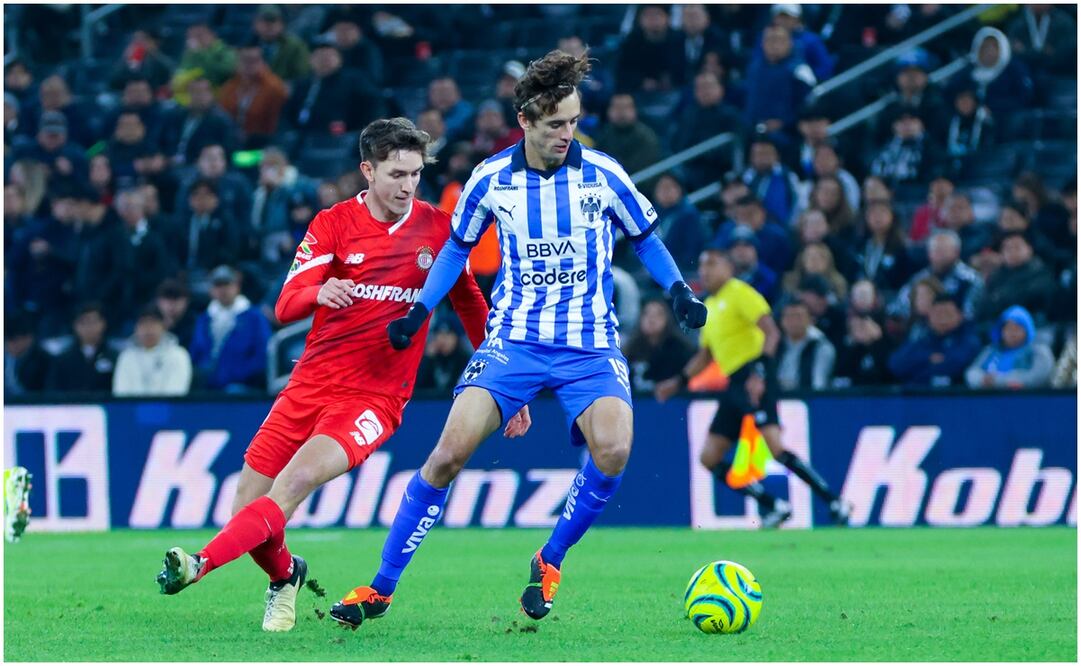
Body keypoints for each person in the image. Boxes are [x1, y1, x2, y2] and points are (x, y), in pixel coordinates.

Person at [328, 51, 706, 628]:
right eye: (555, 124)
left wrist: (678, 289)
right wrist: (419, 311)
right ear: (525, 122)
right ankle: (381, 587)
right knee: (448, 453)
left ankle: (549, 558)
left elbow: (646, 237)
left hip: (590, 346)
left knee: (615, 449)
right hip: (513, 344)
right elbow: (457, 250)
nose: (566, 133)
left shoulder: (603, 175)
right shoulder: (490, 179)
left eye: (574, 122)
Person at [155, 118, 510, 633]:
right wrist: (317, 293)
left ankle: (199, 565)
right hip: (308, 386)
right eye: (396, 174)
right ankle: (286, 578)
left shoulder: (439, 229)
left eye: (415, 174)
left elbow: (472, 306)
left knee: (294, 483)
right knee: (248, 509)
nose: (408, 186)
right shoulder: (334, 223)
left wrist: (501, 382)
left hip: (374, 399)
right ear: (367, 170)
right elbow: (284, 304)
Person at [655, 246, 848, 528]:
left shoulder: (739, 292)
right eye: (703, 265)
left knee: (775, 448)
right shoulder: (709, 304)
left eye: (713, 263)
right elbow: (705, 356)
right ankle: (773, 505)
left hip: (753, 375)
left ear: (728, 268)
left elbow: (771, 331)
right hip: (735, 383)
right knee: (709, 457)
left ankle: (834, 501)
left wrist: (760, 373)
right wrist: (678, 382)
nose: (705, 270)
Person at [888, 294, 981, 387]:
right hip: (917, 397)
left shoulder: (969, 338)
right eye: (938, 314)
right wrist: (928, 357)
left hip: (956, 397)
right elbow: (896, 364)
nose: (942, 319)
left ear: (960, 316)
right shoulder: (921, 336)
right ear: (930, 316)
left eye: (947, 314)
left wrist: (917, 373)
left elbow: (957, 364)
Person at [891, 230, 983, 321]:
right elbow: (899, 306)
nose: (938, 255)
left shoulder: (970, 279)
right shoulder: (920, 278)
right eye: (935, 250)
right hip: (921, 329)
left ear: (956, 252)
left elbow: (970, 314)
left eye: (943, 251)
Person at [218, 40, 290, 149]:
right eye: (244, 60)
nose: (249, 65)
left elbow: (276, 127)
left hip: (263, 146)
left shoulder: (275, 89)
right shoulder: (229, 87)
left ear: (263, 62)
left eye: (254, 61)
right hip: (231, 143)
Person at [965, 305, 1054, 389]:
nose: (1012, 333)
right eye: (1008, 328)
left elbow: (1037, 378)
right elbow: (972, 372)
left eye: (1017, 328)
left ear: (1028, 330)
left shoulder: (1039, 350)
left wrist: (998, 381)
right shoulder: (991, 350)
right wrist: (981, 380)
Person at [113, 305, 193, 397]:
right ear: (135, 328)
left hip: (168, 410)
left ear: (164, 326)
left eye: (153, 323)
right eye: (143, 324)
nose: (148, 329)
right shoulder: (126, 357)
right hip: (131, 410)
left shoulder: (178, 355)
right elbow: (120, 393)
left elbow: (176, 394)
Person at [623, 297, 697, 393]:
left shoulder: (681, 349)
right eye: (647, 314)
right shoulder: (630, 349)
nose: (651, 319)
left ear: (668, 319)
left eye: (658, 314)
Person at [44, 302, 117, 393]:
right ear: (75, 325)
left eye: (93, 322)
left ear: (103, 324)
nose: (89, 327)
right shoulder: (62, 360)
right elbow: (53, 391)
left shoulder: (115, 357)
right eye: (83, 322)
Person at [775, 298, 836, 391]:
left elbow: (818, 385)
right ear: (782, 321)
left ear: (810, 320)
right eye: (789, 317)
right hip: (776, 399)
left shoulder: (821, 347)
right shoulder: (775, 346)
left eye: (798, 317)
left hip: (808, 399)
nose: (794, 322)